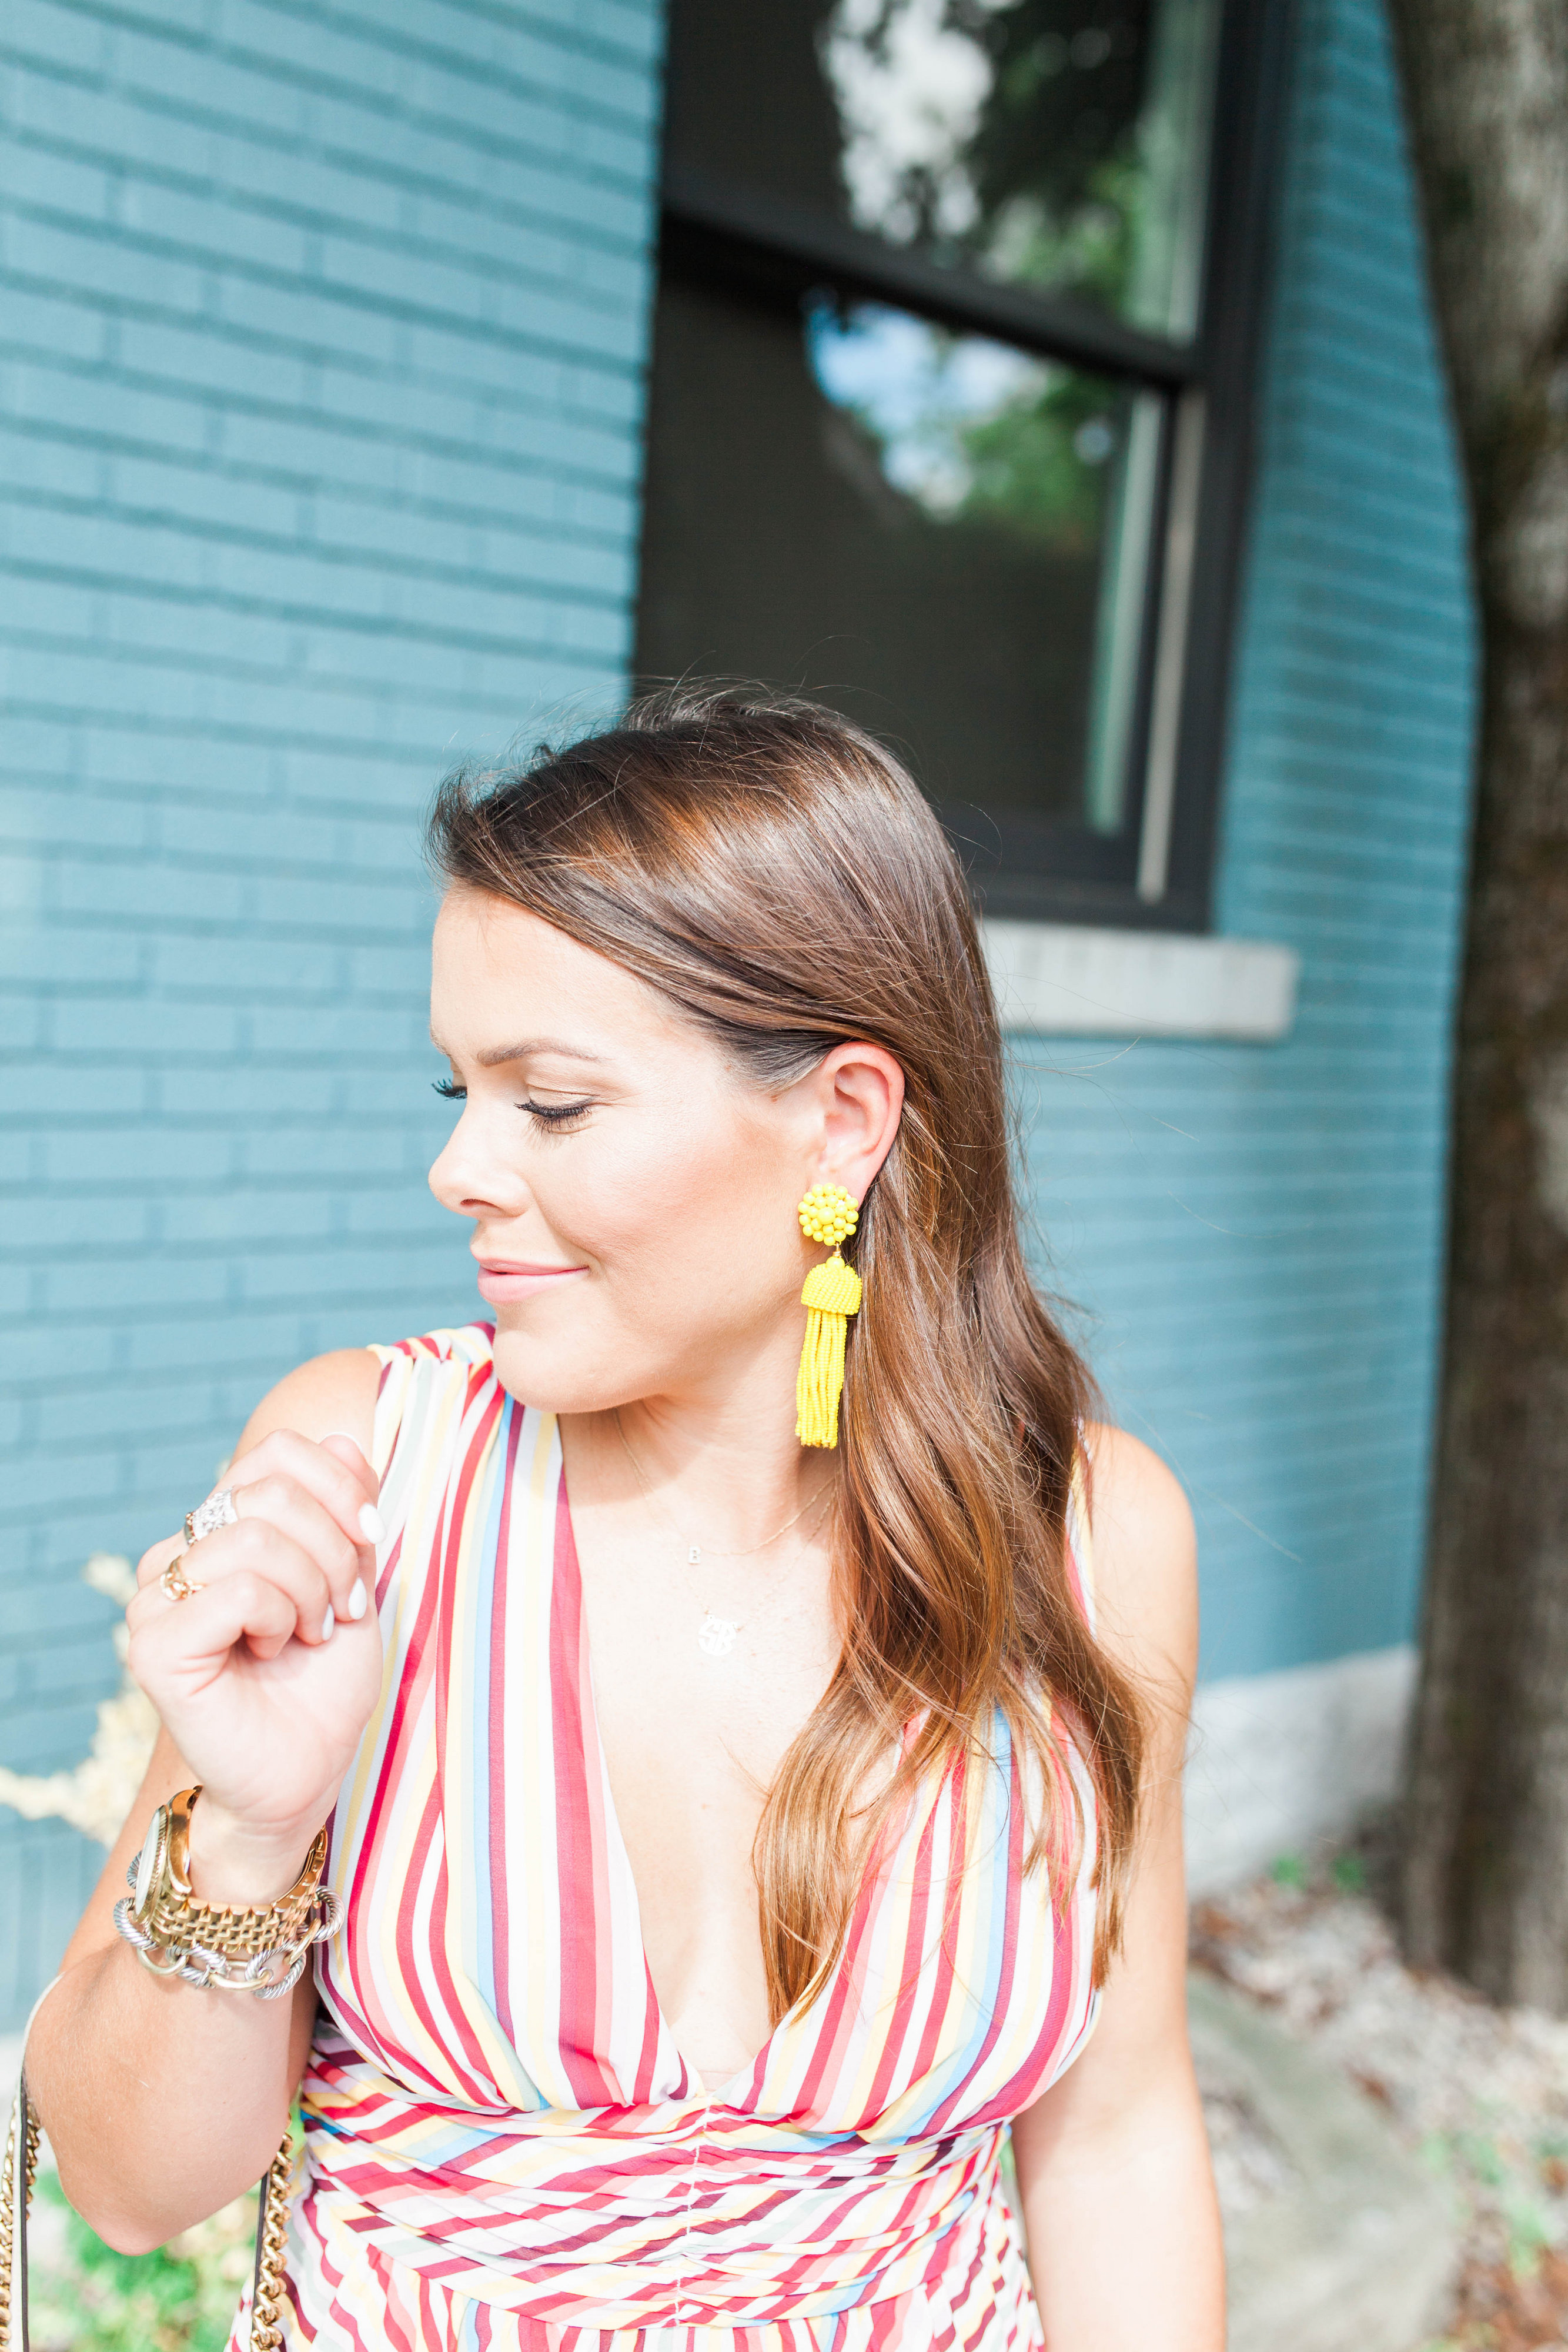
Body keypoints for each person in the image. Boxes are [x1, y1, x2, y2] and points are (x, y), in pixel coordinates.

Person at [25, 690, 1222, 2348]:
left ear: (842, 1121)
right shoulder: (370, 1472)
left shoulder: (1092, 1540)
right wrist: (247, 1831)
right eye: (454, 1090)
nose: (459, 1168)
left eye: (552, 1104)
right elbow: (131, 2187)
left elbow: (1112, 2142)